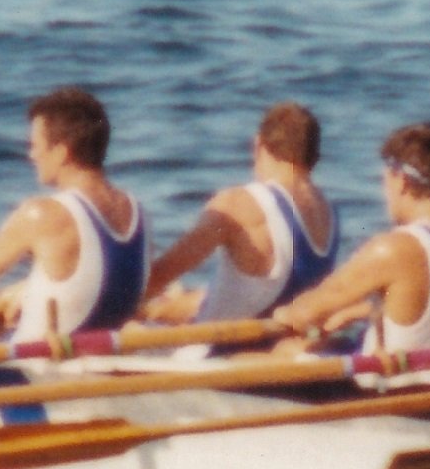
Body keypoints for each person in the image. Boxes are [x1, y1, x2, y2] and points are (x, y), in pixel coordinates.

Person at [272, 122, 430, 358]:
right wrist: (363, 311)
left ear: (400, 180)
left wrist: (282, 315)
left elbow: (307, 313)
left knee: (285, 350)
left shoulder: (395, 248)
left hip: (389, 385)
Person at [0, 88, 148, 340]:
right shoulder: (136, 211)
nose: (31, 155)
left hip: (40, 364)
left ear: (61, 152)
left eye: (35, 146)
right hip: (100, 356)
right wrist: (25, 291)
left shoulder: (42, 214)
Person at [138, 101, 338, 323]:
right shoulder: (328, 212)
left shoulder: (238, 205)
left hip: (219, 351)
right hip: (276, 346)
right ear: (314, 157)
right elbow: (256, 297)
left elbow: (158, 277)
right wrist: (166, 307)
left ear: (258, 145)